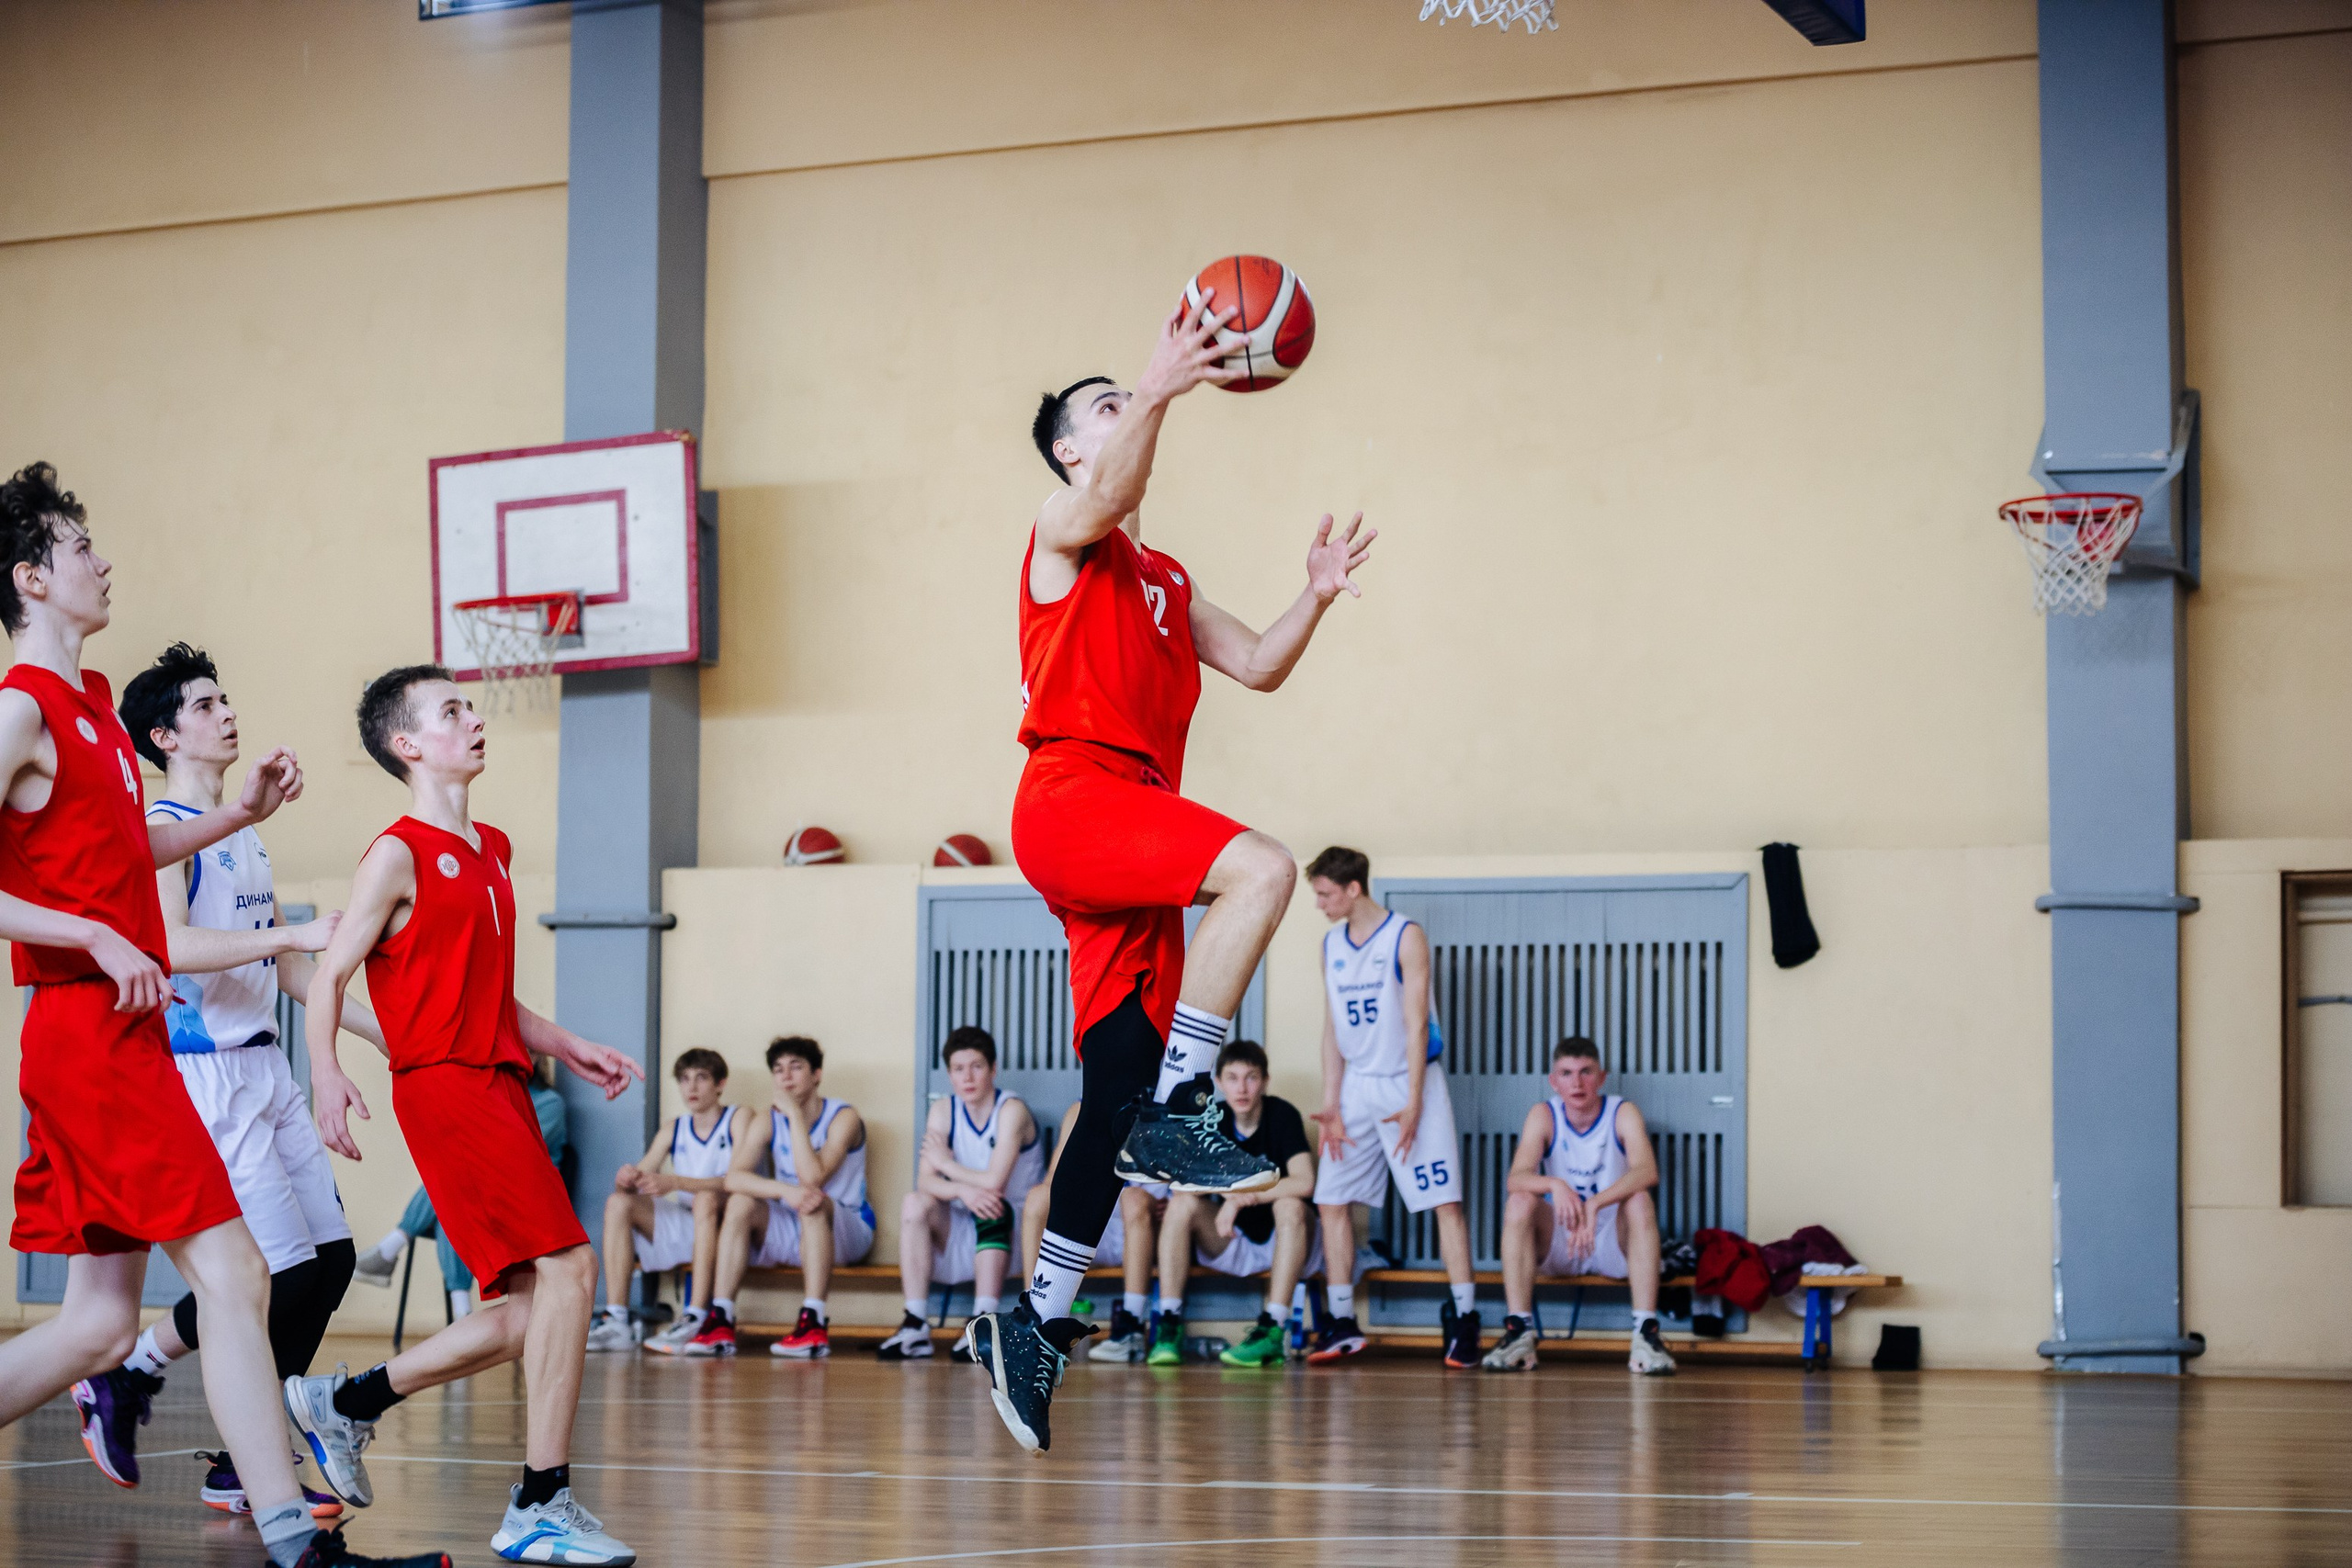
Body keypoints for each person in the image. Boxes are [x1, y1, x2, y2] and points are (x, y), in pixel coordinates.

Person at [0, 465, 447, 1568]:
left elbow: (115, 853)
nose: (101, 561)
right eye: (77, 547)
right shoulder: (19, 706)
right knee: (240, 1274)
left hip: (124, 1031)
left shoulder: (94, 705)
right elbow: (78, 901)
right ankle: (299, 1542)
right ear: (29, 578)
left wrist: (231, 817)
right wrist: (96, 934)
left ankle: (288, 1531)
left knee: (101, 1325)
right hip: (86, 1029)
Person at [968, 291, 1378, 1454]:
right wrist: (1157, 383)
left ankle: (1033, 1326)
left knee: (1113, 1081)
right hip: (1074, 794)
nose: (1127, 406)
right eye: (1103, 407)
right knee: (1263, 868)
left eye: (1125, 399)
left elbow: (1254, 665)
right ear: (1070, 448)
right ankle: (1188, 1110)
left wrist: (1317, 591)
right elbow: (1108, 493)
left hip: (1132, 826)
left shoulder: (1164, 579)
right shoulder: (1061, 530)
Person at [292, 663, 642, 1566]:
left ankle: (347, 1403)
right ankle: (538, 1502)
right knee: (570, 1267)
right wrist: (326, 1071)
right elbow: (330, 973)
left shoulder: (492, 847)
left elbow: (489, 995)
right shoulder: (396, 852)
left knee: (528, 1311)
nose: (474, 719)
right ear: (408, 744)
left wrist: (566, 1044)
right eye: (452, 711)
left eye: (470, 706)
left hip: (497, 1077)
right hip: (444, 1085)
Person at [81, 644, 385, 1520]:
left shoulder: (240, 829)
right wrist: (292, 938)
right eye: (207, 703)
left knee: (328, 1262)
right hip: (203, 1074)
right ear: (167, 732)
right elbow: (169, 948)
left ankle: (154, 1382)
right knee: (273, 1274)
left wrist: (381, 1034)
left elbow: (289, 976)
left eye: (226, 698)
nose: (226, 712)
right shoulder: (165, 831)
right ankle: (237, 1457)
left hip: (266, 1067)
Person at [1303, 847, 1482, 1369]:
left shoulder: (1406, 935)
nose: (1319, 904)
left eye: (1325, 893)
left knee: (1444, 1202)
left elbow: (1416, 1022)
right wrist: (1331, 1102)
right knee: (1331, 1201)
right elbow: (1333, 1026)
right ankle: (1341, 1323)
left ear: (1353, 888)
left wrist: (1414, 1102)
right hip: (1356, 1085)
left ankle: (1465, 1319)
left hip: (1410, 1081)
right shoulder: (1331, 944)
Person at [1483, 1036, 1677, 1376]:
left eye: (1586, 1072)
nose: (1577, 1082)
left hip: (1611, 1243)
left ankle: (1646, 1334)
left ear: (1601, 1077)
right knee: (1519, 1202)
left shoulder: (1622, 1112)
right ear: (1553, 1081)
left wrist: (1597, 1203)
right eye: (1567, 1073)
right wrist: (1555, 1185)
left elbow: (1647, 1171)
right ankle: (1519, 1331)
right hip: (1562, 1241)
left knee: (1640, 1199)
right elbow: (1516, 1177)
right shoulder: (1544, 1114)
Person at [685, 1036, 873, 1359]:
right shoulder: (768, 1118)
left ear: (817, 1075)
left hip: (847, 1228)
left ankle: (813, 1322)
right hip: (795, 1223)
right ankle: (721, 1318)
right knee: (741, 1202)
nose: (785, 1076)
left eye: (796, 1067)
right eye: (778, 1069)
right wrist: (785, 1191)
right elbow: (735, 1177)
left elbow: (813, 1178)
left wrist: (795, 1116)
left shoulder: (844, 1117)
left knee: (814, 1201)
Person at [351, 1056, 571, 1324]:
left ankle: (392, 1248)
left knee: (457, 1182)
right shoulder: (494, 1097)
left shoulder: (550, 1104)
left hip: (528, 1201)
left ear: (534, 1059)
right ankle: (462, 1313)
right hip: (485, 1193)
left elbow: (506, 1154)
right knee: (455, 1201)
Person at [1150, 1041, 1320, 1369]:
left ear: (1265, 1081)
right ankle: (1168, 1324)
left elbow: (1304, 1181)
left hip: (1285, 1239)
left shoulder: (1282, 1115)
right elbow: (1183, 1179)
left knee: (1291, 1205)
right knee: (1182, 1203)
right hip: (1231, 1237)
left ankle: (1272, 1329)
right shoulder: (1211, 1119)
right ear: (1218, 1083)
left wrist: (1245, 1197)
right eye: (1232, 1077)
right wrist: (1230, 1197)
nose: (1241, 1088)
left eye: (1251, 1077)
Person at [878, 1027, 1043, 1359]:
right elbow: (925, 1182)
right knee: (915, 1203)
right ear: (949, 1074)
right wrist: (964, 1190)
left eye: (977, 1066)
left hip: (1014, 1234)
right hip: (962, 1226)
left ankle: (983, 1321)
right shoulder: (943, 1111)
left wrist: (945, 1165)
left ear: (993, 1069)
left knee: (990, 1202)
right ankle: (915, 1323)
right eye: (958, 1069)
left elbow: (995, 1182)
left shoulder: (1011, 1110)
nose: (967, 1077)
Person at [588, 1047, 749, 1354]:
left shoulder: (739, 1118)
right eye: (685, 1079)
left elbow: (738, 1180)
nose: (691, 1087)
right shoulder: (674, 1128)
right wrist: (626, 1180)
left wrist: (675, 1182)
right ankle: (617, 1319)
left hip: (731, 1226)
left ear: (720, 1084)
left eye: (701, 1078)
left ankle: (696, 1316)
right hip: (690, 1221)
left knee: (705, 1200)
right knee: (618, 1204)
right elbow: (639, 1178)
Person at [1019, 1103, 1166, 1363]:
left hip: (1142, 1222)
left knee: (1132, 1199)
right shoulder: (1078, 1110)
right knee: (1038, 1197)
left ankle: (1131, 1326)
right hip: (1089, 1220)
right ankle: (1034, 1320)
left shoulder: (1163, 1103)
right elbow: (1054, 1178)